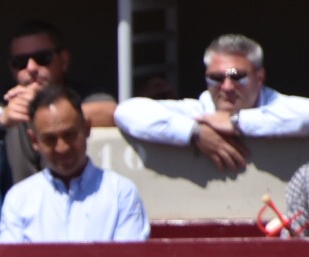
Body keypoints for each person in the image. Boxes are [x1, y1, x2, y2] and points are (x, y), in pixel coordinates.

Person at [114, 35, 309, 173]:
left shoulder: (279, 106)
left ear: (260, 77)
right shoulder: (198, 112)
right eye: (216, 78)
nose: (227, 87)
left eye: (237, 77)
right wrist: (195, 132)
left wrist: (237, 121)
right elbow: (126, 111)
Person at [0, 20, 115, 188]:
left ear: (63, 60)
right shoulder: (5, 95)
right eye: (20, 62)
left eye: (42, 58)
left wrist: (44, 105)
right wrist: (2, 115)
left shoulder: (81, 91)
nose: (31, 68)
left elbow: (111, 112)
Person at [0, 86, 148, 242]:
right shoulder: (18, 199)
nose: (62, 148)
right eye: (50, 139)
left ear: (87, 128)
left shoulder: (121, 193)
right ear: (34, 141)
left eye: (69, 135)